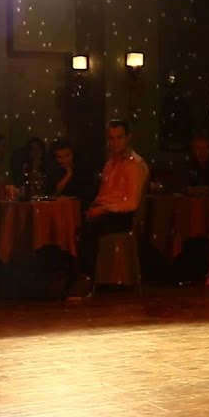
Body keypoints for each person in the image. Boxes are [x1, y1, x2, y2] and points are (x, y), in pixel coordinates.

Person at [77, 120, 148, 292]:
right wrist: (94, 206)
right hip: (108, 211)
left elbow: (131, 203)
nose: (115, 142)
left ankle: (87, 279)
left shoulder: (134, 165)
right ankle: (72, 277)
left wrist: (102, 210)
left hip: (124, 215)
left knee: (90, 229)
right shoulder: (110, 163)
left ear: (128, 138)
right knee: (75, 220)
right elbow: (104, 193)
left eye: (119, 138)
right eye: (111, 138)